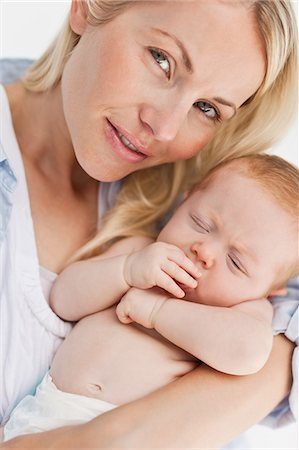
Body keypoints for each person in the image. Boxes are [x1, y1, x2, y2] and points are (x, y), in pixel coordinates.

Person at [0, 0, 298, 448]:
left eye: (207, 107)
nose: (164, 127)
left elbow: (270, 333)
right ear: (85, 7)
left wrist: (106, 438)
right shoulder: (157, 241)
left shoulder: (184, 206)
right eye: (162, 60)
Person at [2, 153, 299, 442]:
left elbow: (246, 354)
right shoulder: (138, 252)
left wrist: (158, 311)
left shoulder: (247, 312)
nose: (204, 251)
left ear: (271, 290)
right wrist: (126, 271)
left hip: (132, 434)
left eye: (235, 262)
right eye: (201, 223)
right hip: (40, 415)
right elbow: (63, 299)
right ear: (182, 203)